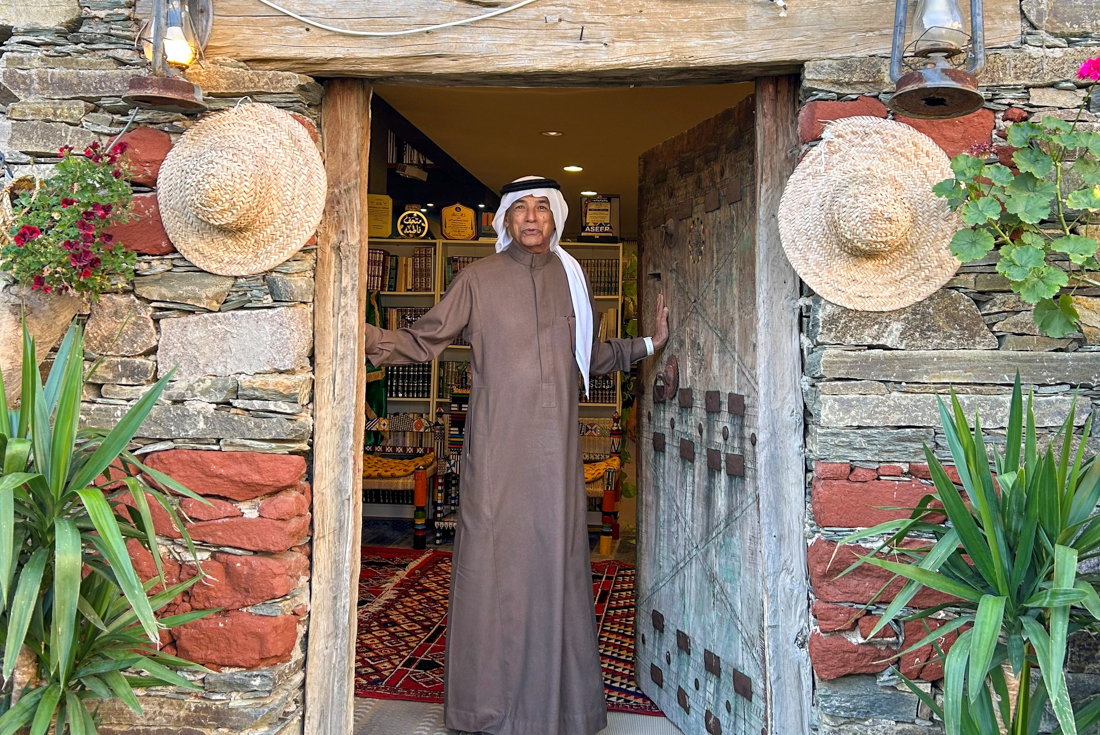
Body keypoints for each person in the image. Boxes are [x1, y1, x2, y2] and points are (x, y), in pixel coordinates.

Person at [363, 176, 670, 735]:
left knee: (555, 563)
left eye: (543, 209)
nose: (532, 218)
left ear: (556, 218)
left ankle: (560, 708)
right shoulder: (478, 279)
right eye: (521, 209)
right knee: (490, 564)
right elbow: (423, 340)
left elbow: (590, 359)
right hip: (496, 450)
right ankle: (485, 707)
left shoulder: (574, 280)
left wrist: (648, 345)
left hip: (555, 453)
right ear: (505, 218)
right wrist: (359, 336)